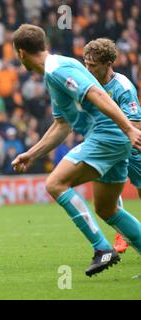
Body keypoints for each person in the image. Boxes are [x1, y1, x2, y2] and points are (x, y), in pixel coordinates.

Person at [10, 25, 141, 277]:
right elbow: (62, 125)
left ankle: (102, 248)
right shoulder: (53, 73)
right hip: (111, 137)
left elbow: (95, 93)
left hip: (108, 134)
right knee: (106, 209)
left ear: (21, 53)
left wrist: (127, 128)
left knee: (55, 183)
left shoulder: (58, 69)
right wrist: (32, 153)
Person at [83, 38, 141, 254]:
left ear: (108, 64)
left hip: (133, 148)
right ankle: (122, 234)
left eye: (93, 65)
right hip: (108, 147)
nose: (87, 69)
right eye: (85, 63)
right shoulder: (88, 84)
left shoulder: (123, 87)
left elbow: (135, 124)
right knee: (107, 192)